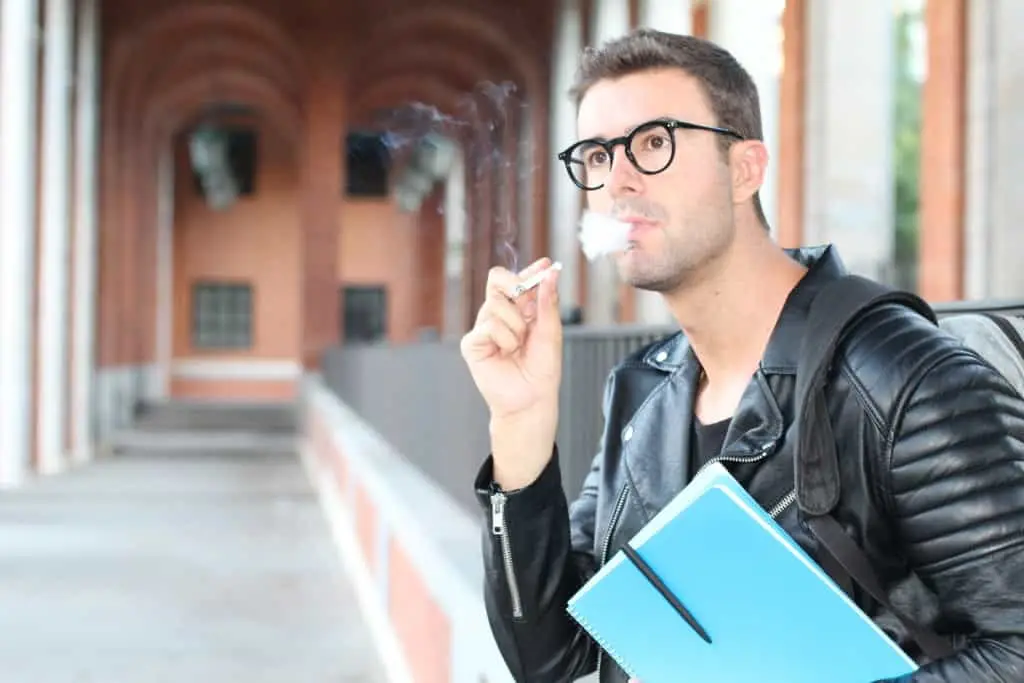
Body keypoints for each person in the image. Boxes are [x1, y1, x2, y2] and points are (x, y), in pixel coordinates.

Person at [459, 28, 1024, 683]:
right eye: (596, 155)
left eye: (652, 143)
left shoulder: (900, 377)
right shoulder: (641, 393)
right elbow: (552, 654)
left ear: (745, 169)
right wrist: (520, 427)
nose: (617, 180)